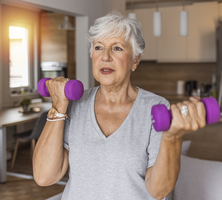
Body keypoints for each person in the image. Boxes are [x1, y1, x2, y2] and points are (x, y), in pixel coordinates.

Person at [33, 11, 206, 200]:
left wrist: (172, 138)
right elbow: (44, 177)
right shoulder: (75, 104)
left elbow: (159, 191)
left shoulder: (156, 107)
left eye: (117, 48)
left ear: (135, 60)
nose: (105, 56)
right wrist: (59, 106)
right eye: (98, 47)